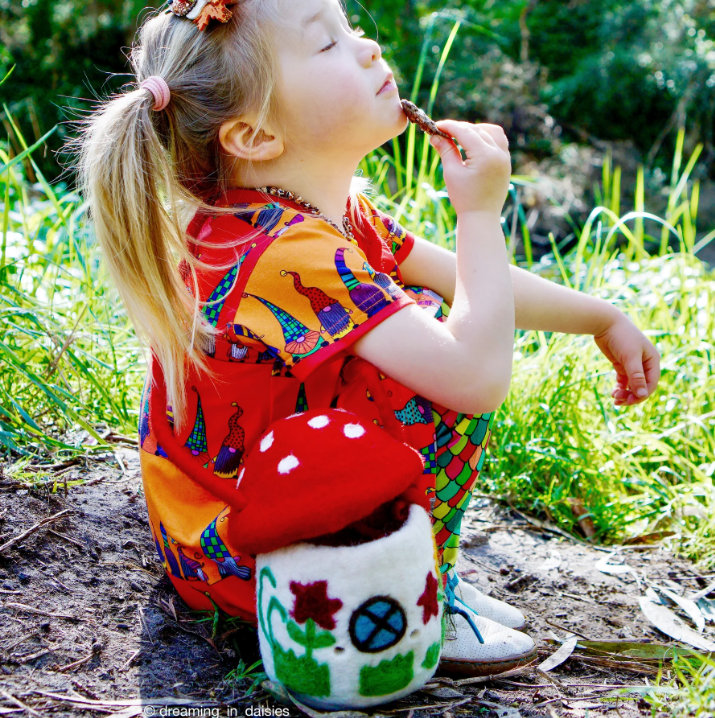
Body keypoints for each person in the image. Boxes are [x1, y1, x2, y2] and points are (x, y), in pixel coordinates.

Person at [69, 0, 661, 678]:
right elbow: (473, 377)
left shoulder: (307, 218)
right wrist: (478, 214)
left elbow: (462, 277)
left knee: (426, 311)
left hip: (229, 533)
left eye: (349, 27)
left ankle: (406, 562)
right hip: (261, 562)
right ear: (255, 136)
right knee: (420, 369)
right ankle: (414, 589)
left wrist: (600, 317)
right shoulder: (284, 253)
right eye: (326, 44)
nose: (369, 47)